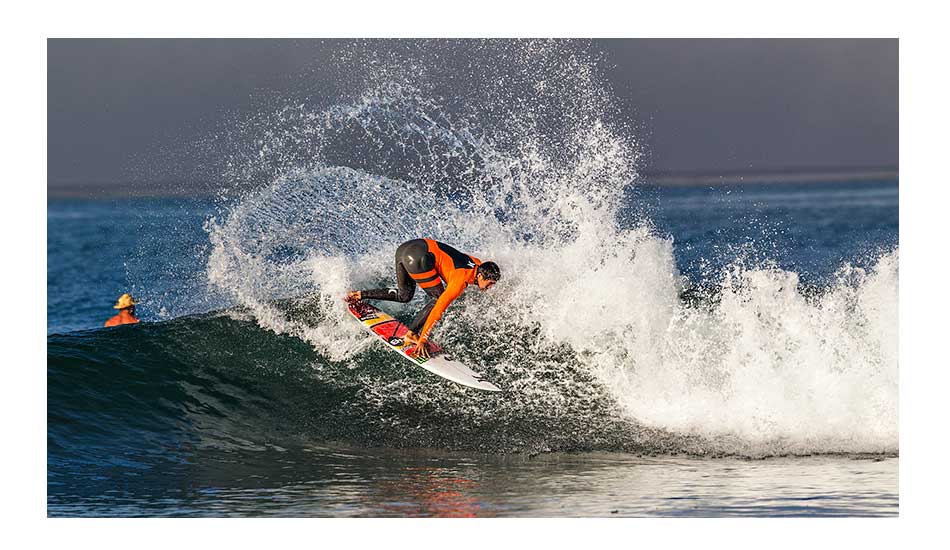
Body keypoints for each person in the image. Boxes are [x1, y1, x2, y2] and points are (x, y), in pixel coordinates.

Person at [346, 239, 500, 359]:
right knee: (437, 298)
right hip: (419, 257)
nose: (490, 287)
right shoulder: (460, 282)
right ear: (480, 276)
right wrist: (423, 340)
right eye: (490, 283)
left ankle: (359, 295)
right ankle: (412, 334)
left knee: (404, 295)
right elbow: (438, 310)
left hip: (407, 248)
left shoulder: (478, 264)